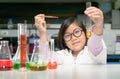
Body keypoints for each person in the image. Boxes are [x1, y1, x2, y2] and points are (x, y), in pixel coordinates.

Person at [34, 6, 107, 65]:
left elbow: (96, 40)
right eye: (68, 36)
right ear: (64, 41)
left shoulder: (93, 51)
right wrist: (42, 33)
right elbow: (45, 59)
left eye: (77, 32)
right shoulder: (62, 56)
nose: (74, 38)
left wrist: (99, 24)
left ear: (85, 33)